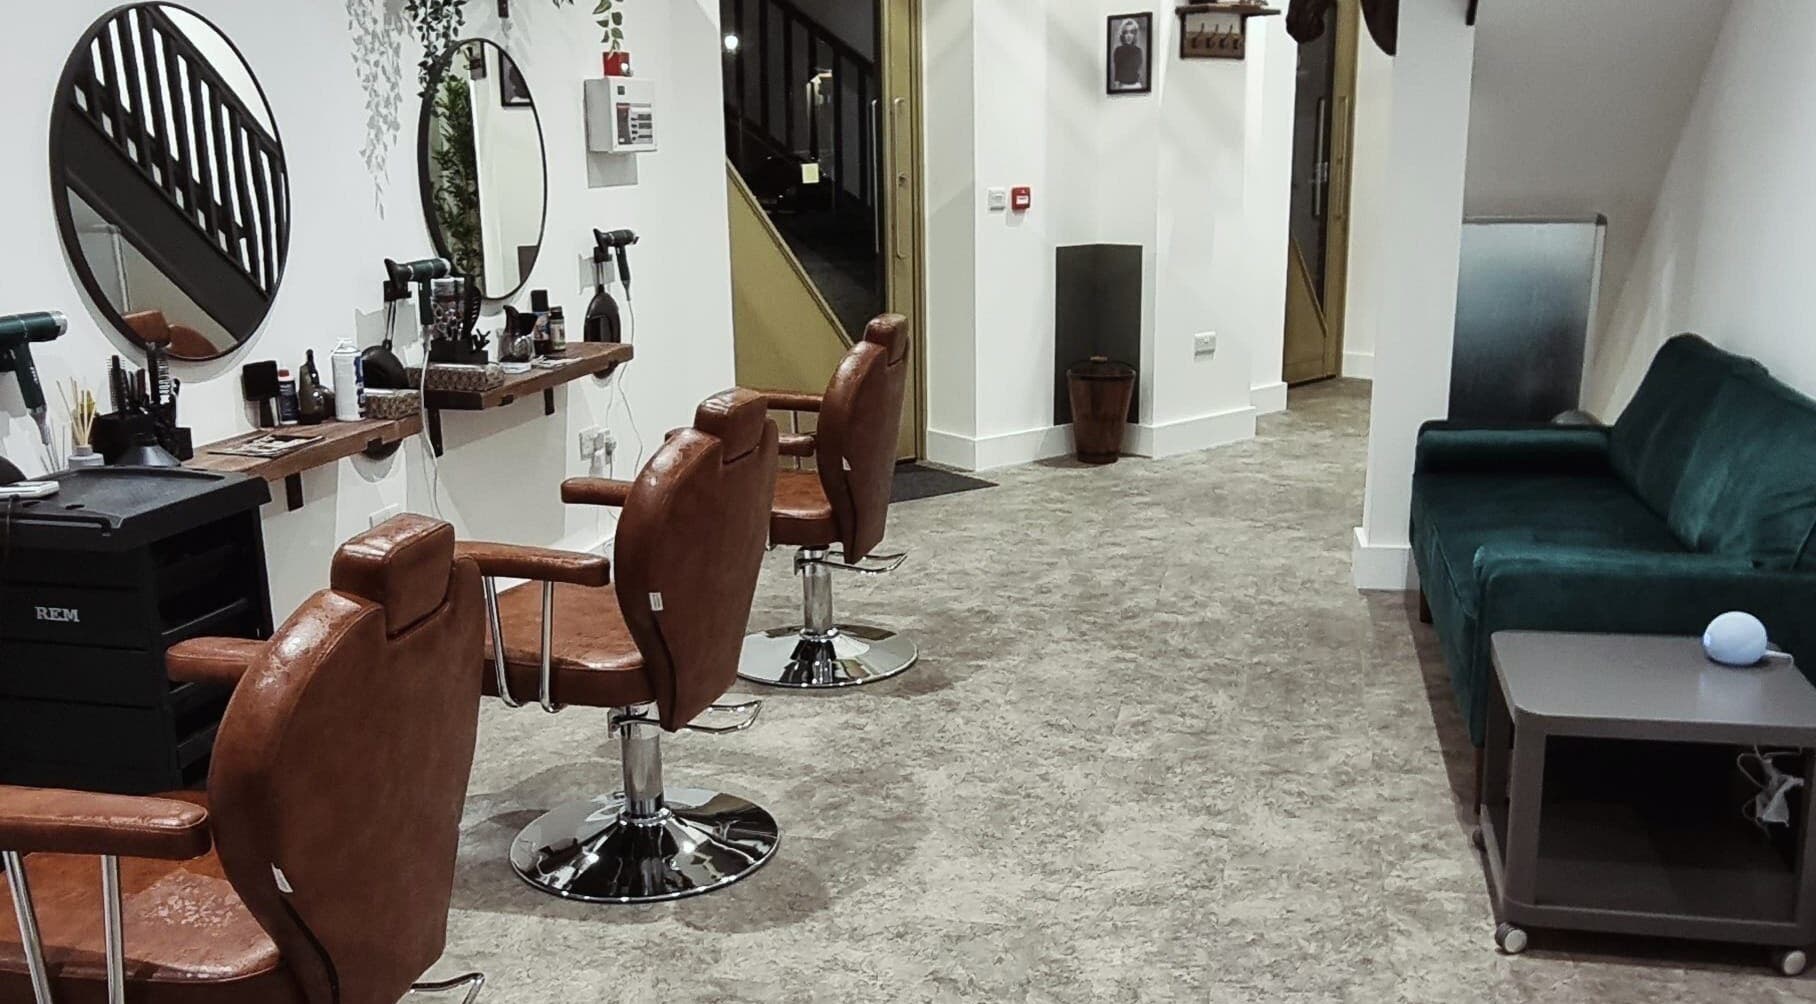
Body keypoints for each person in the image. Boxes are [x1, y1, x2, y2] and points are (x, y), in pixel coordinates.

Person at [1112, 19, 1146, 89]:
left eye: (1132, 32)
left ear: (1135, 35)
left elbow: (1136, 71)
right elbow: (1117, 73)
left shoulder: (1138, 51)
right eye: (1126, 32)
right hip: (1122, 86)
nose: (1129, 36)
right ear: (1122, 34)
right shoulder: (1118, 50)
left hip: (1136, 86)